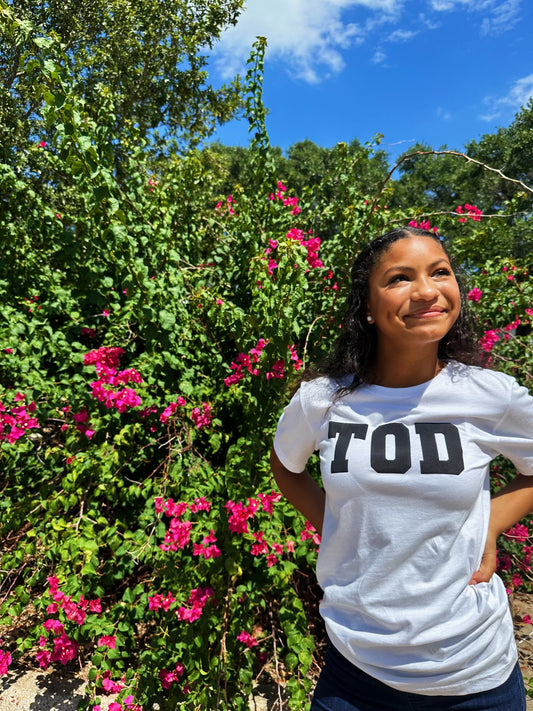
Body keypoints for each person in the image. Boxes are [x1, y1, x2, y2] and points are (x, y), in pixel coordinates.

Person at [271, 226, 533, 711]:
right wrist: (334, 527)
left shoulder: (490, 395)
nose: (427, 291)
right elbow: (286, 465)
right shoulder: (323, 400)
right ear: (367, 308)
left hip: (473, 674)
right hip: (356, 668)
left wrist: (489, 525)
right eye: (399, 278)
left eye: (440, 272)